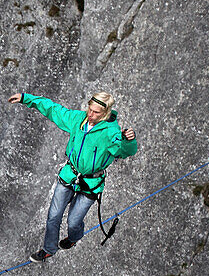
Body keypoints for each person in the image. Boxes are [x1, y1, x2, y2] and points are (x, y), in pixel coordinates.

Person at [8, 91, 138, 262]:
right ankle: (49, 249)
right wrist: (26, 99)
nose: (90, 115)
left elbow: (124, 151)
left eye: (96, 112)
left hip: (91, 182)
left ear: (105, 113)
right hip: (69, 175)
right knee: (53, 216)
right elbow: (54, 110)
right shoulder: (79, 119)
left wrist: (128, 141)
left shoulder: (111, 132)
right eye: (90, 110)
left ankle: (73, 238)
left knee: (73, 222)